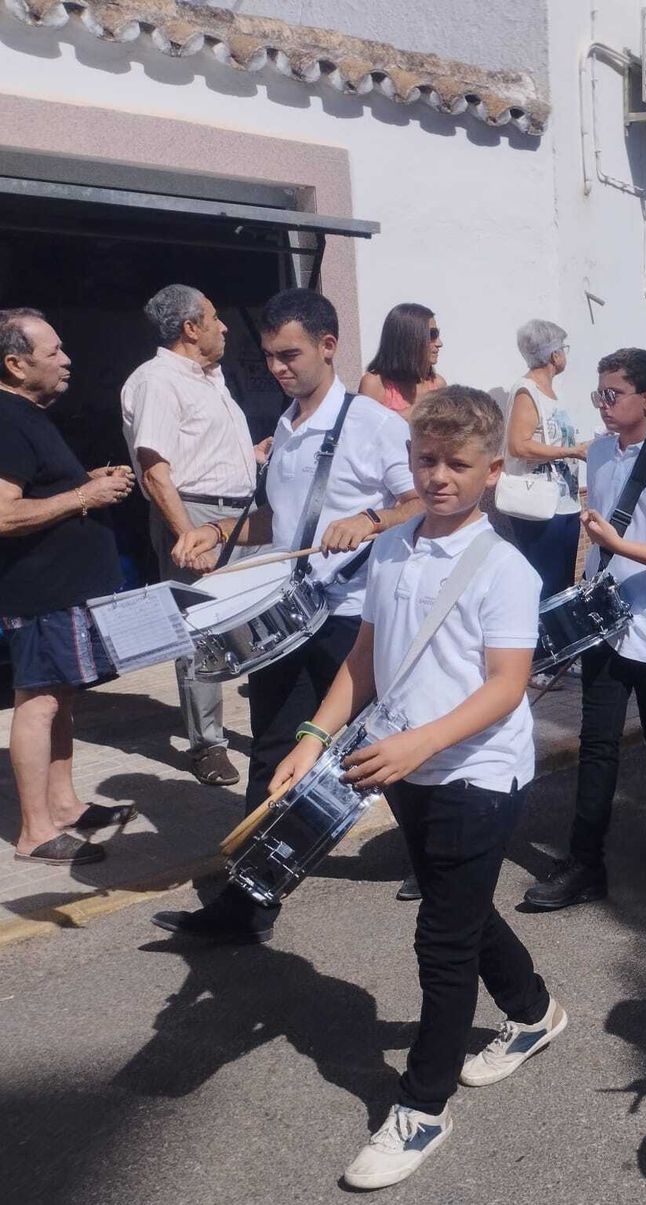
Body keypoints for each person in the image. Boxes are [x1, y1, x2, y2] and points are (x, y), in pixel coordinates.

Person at [266, 386, 563, 1189]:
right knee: (455, 903)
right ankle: (533, 1010)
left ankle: (422, 1107)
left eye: (457, 463)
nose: (438, 476)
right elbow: (364, 656)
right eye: (426, 460)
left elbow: (506, 685)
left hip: (477, 771)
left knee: (442, 938)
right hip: (405, 763)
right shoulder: (392, 547)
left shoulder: (505, 567)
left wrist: (418, 743)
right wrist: (312, 736)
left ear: (491, 471)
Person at [155, 288, 422, 938]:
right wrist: (215, 533)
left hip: (355, 618)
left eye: (289, 355)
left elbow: (422, 502)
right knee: (273, 749)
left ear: (328, 347)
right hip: (291, 615)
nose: (277, 367)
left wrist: (371, 518)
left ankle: (439, 858)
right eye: (270, 355)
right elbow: (278, 521)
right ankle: (249, 903)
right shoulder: (287, 428)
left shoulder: (375, 424)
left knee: (379, 751)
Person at [521, 348, 646, 911]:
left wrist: (618, 545)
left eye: (613, 394)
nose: (603, 403)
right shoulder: (598, 452)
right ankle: (585, 864)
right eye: (599, 393)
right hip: (603, 623)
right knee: (597, 745)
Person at [0, 308, 135, 865]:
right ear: (16, 364)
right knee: (38, 702)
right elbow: (3, 513)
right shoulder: (6, 420)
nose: (67, 359)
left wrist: (86, 481)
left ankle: (63, 807)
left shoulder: (27, 415)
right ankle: (35, 832)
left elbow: (39, 488)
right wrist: (84, 497)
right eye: (53, 351)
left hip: (62, 592)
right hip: (40, 593)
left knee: (61, 699)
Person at [120, 284, 258, 786]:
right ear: (190, 328)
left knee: (255, 622)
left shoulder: (208, 377)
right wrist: (188, 535)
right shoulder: (157, 380)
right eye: (215, 317)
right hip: (195, 515)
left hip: (241, 516)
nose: (224, 327)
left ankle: (270, 727)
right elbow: (155, 469)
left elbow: (198, 450)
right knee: (200, 632)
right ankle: (208, 745)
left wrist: (251, 456)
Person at [503, 318, 586, 687]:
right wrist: (571, 450)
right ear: (553, 354)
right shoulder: (527, 391)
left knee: (563, 584)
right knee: (544, 583)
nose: (565, 355)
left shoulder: (549, 392)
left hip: (564, 502)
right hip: (539, 506)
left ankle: (562, 655)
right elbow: (519, 445)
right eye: (563, 348)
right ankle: (539, 662)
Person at [358, 302, 446, 419]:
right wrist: (424, 406)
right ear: (409, 338)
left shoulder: (438, 384)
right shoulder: (375, 384)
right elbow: (367, 427)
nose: (439, 343)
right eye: (432, 335)